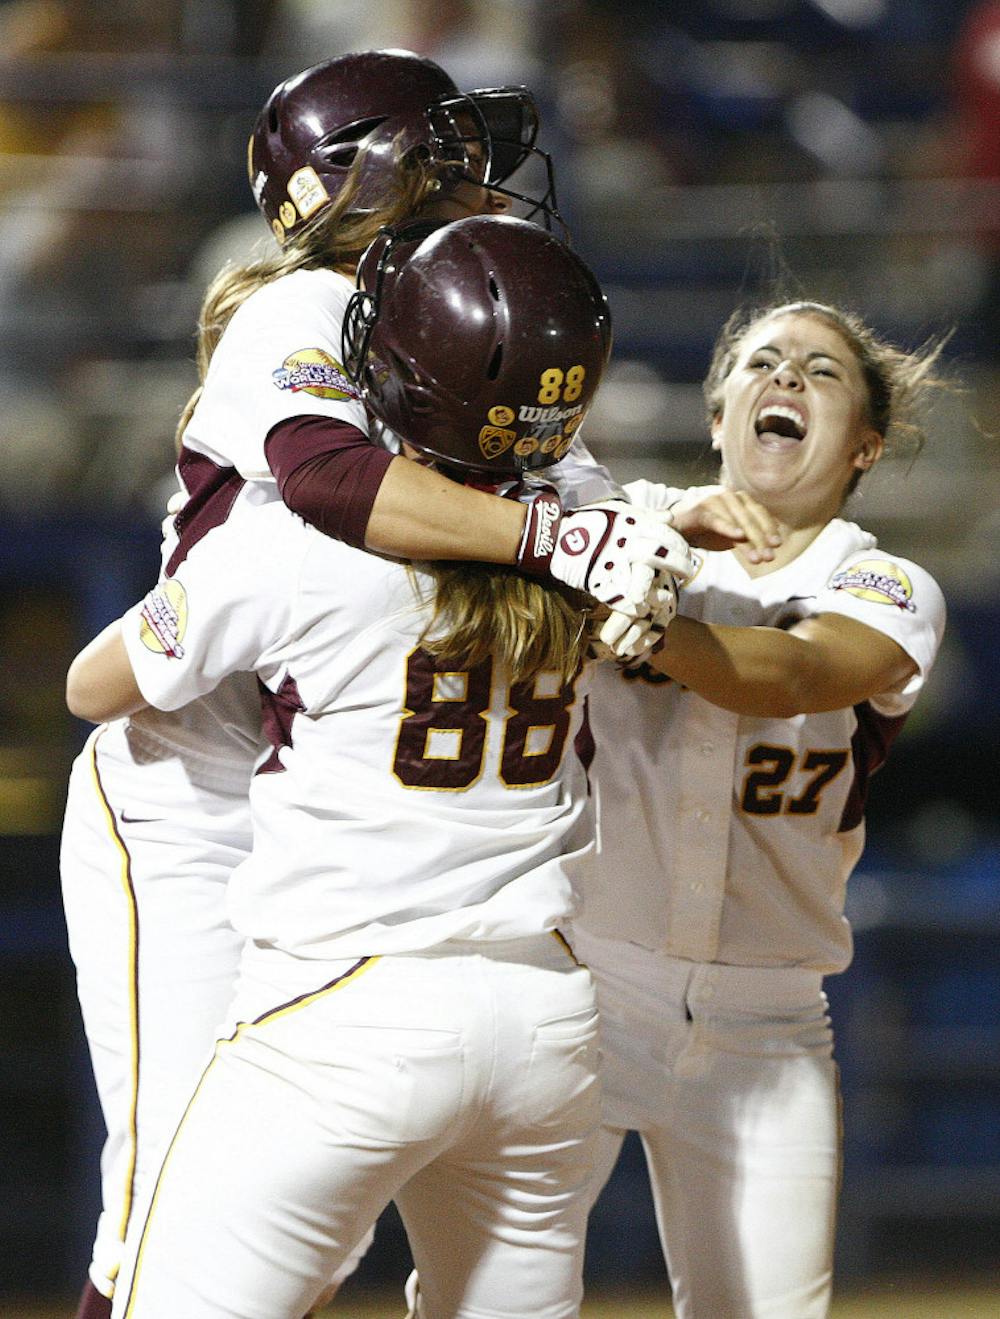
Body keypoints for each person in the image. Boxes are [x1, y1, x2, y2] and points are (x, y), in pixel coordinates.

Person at [58, 48, 767, 1319]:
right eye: (436, 147)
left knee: (290, 1230)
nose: (473, 169)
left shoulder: (459, 302)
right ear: (347, 182)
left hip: (348, 785)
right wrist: (564, 543)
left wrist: (645, 523)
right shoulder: (302, 307)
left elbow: (559, 490)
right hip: (198, 775)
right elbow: (332, 477)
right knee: (172, 1194)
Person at [570, 299, 948, 1319]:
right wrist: (624, 553)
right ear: (718, 412)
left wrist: (627, 611)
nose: (786, 378)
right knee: (485, 1296)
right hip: (583, 988)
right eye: (761, 362)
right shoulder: (623, 521)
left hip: (766, 1021)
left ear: (866, 443)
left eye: (822, 373)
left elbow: (788, 673)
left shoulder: (886, 580)